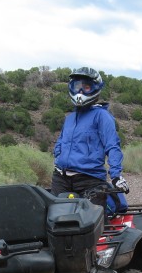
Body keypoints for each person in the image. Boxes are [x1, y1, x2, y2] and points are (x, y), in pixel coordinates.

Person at [52, 67, 129, 209]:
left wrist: (116, 175)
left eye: (86, 87)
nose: (80, 92)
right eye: (77, 86)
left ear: (95, 88)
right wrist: (57, 157)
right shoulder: (70, 118)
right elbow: (61, 142)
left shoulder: (102, 116)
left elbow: (112, 146)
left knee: (92, 223)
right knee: (55, 221)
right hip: (61, 179)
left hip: (89, 179)